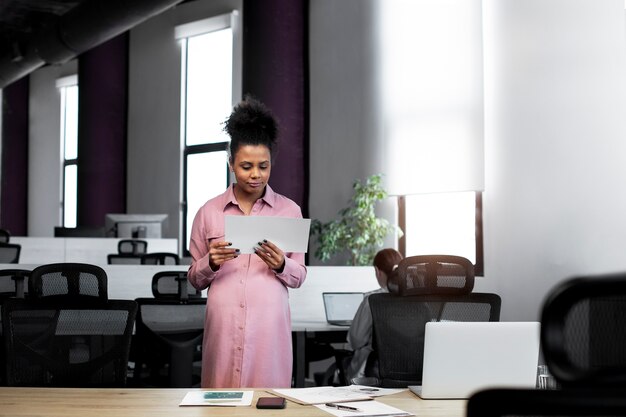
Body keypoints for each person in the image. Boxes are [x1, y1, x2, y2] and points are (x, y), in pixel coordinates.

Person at [187, 96, 307, 388]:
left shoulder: (289, 211)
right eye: (246, 166)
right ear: (231, 163)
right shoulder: (209, 212)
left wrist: (281, 264)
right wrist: (211, 262)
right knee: (219, 400)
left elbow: (299, 276)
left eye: (263, 166)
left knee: (267, 399)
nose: (255, 175)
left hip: (269, 329)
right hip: (223, 326)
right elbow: (194, 280)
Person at [345, 248, 403, 382]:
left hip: (373, 375)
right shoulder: (414, 298)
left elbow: (356, 340)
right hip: (410, 373)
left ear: (377, 271)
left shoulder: (372, 300)